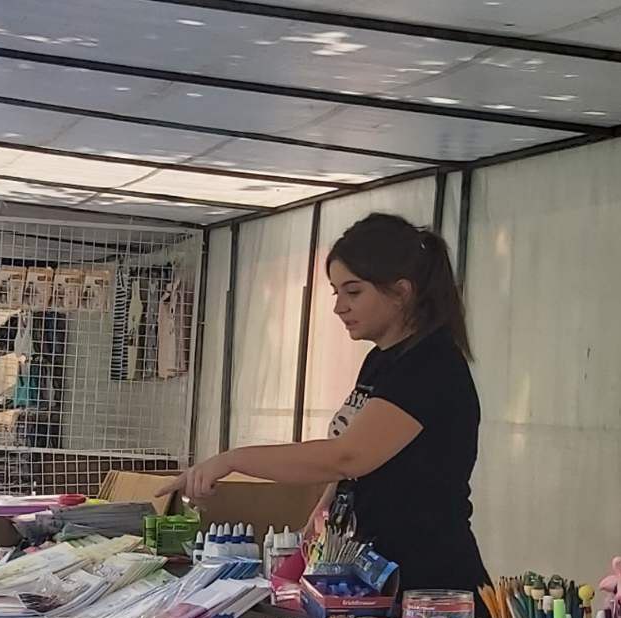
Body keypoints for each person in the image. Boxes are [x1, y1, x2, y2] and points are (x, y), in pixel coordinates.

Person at [163, 213, 488, 597]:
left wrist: (232, 459)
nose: (339, 308)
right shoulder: (381, 360)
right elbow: (348, 470)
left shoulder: (429, 365)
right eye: (336, 293)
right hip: (369, 569)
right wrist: (315, 527)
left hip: (429, 584)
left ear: (401, 292)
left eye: (353, 292)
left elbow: (348, 456)